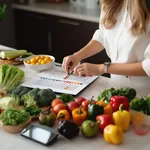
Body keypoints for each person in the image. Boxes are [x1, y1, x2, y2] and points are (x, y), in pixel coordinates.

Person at [62, 0, 150, 88]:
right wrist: (78, 55)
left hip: (144, 91)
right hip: (115, 85)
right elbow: (103, 35)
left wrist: (103, 68)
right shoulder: (110, 2)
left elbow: (148, 65)